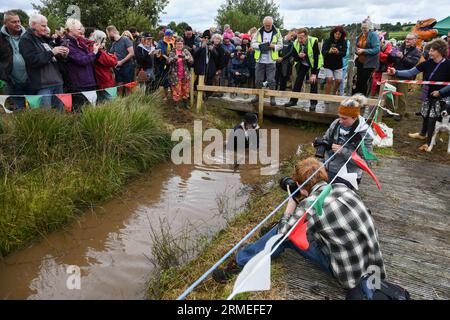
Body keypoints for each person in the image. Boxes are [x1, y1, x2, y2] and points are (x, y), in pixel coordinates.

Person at [213, 156, 386, 293]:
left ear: (302, 187)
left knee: (282, 235)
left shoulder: (309, 204)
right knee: (302, 226)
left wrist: (290, 206)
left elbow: (284, 233)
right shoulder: (343, 188)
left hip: (348, 275)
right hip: (372, 265)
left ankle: (240, 263)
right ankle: (255, 251)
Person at [387, 39, 450, 152]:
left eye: (432, 51)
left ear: (440, 51)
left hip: (443, 97)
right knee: (425, 114)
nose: (429, 53)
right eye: (429, 51)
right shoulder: (426, 63)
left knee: (433, 118)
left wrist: (441, 92)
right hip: (429, 94)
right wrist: (395, 72)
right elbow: (411, 72)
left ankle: (429, 143)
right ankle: (422, 134)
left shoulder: (448, 64)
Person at [317, 94, 374, 189]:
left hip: (347, 175)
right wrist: (321, 148)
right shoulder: (336, 123)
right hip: (327, 168)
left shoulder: (364, 134)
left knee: (324, 194)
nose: (340, 121)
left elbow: (367, 163)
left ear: (355, 117)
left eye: (344, 118)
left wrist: (343, 152)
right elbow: (326, 140)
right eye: (339, 117)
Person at [19, 14, 68, 110]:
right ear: (33, 24)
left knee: (60, 116)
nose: (46, 28)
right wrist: (52, 52)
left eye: (46, 25)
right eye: (43, 26)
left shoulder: (43, 38)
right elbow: (32, 60)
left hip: (57, 82)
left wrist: (63, 54)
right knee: (45, 118)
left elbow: (53, 59)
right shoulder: (26, 40)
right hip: (43, 86)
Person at [282, 28, 323, 110]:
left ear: (306, 36)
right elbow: (295, 58)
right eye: (298, 37)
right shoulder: (296, 43)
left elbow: (316, 57)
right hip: (303, 63)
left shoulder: (313, 41)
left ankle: (313, 103)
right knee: (298, 81)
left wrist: (314, 74)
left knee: (313, 82)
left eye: (302, 38)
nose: (299, 40)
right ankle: (293, 101)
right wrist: (298, 56)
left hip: (314, 63)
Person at [65, 18, 99, 110]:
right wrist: (94, 53)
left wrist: (94, 50)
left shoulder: (80, 42)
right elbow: (82, 60)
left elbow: (88, 58)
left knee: (92, 110)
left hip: (89, 81)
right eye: (79, 29)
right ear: (71, 29)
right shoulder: (67, 44)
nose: (82, 30)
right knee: (83, 112)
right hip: (80, 84)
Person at [387, 33, 421, 121]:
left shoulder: (416, 52)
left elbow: (411, 64)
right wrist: (390, 54)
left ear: (414, 40)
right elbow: (389, 60)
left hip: (405, 76)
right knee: (389, 93)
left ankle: (400, 113)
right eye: (406, 38)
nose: (407, 40)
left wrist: (402, 57)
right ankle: (389, 111)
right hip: (393, 73)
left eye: (409, 39)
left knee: (402, 95)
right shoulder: (399, 48)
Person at [0, 11, 30, 110]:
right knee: (18, 111)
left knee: (34, 108)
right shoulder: (0, 38)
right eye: (14, 22)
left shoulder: (29, 36)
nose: (18, 24)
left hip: (31, 79)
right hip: (11, 81)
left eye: (18, 21)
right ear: (5, 23)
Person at [250, 16, 283, 106]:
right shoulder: (258, 32)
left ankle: (272, 97)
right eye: (266, 25)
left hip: (271, 60)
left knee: (271, 80)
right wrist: (260, 46)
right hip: (260, 60)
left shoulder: (277, 32)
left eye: (269, 25)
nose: (268, 27)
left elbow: (281, 45)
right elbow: (252, 44)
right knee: (258, 80)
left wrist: (273, 46)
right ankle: (257, 96)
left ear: (272, 24)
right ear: (263, 24)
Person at [106, 25, 135, 96]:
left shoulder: (125, 39)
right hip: (118, 68)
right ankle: (120, 105)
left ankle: (130, 105)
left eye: (107, 33)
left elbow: (132, 53)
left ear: (111, 32)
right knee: (119, 88)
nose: (108, 36)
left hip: (128, 67)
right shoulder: (114, 43)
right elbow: (110, 54)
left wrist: (121, 62)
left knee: (128, 87)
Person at [353, 22, 380, 95]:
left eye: (365, 27)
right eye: (362, 27)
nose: (363, 29)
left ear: (369, 27)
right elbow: (356, 46)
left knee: (364, 81)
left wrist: (364, 50)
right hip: (360, 62)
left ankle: (363, 99)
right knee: (358, 80)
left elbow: (377, 49)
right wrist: (356, 50)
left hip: (369, 63)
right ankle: (356, 97)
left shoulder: (373, 35)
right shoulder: (360, 36)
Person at [167, 37, 194, 110]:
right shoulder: (172, 52)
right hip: (175, 75)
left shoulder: (186, 51)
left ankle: (185, 104)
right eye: (178, 44)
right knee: (176, 91)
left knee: (185, 90)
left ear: (183, 44)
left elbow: (192, 61)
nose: (179, 45)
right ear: (175, 44)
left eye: (181, 44)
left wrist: (187, 58)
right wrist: (175, 58)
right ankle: (176, 105)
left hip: (185, 75)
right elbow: (168, 61)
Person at [90, 30, 117, 97]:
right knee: (111, 100)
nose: (105, 43)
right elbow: (112, 62)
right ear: (99, 40)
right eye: (104, 41)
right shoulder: (99, 52)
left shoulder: (90, 48)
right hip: (105, 79)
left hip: (98, 79)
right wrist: (113, 56)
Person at [322, 26, 348, 96]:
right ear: (333, 33)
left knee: (339, 80)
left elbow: (344, 53)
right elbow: (323, 52)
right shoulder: (327, 40)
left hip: (338, 64)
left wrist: (338, 52)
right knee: (329, 79)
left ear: (342, 34)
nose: (337, 35)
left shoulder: (343, 42)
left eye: (339, 34)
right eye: (336, 34)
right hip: (328, 64)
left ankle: (334, 93)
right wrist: (329, 51)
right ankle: (326, 96)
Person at [370, 32, 392, 97]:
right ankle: (373, 98)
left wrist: (377, 53)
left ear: (382, 40)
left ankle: (384, 100)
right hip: (377, 68)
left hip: (387, 68)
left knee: (385, 85)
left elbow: (386, 57)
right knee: (374, 84)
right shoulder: (376, 47)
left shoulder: (388, 45)